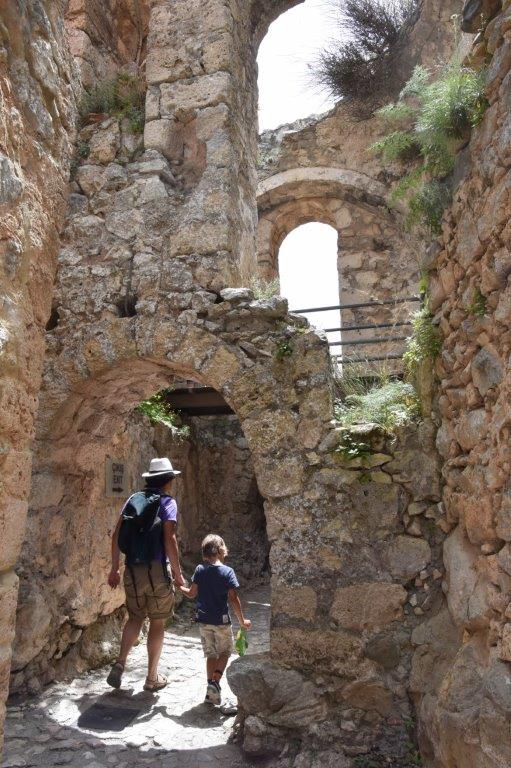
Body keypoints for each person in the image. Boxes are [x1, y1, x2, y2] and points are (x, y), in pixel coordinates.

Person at [106, 457, 185, 691]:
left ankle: (120, 664)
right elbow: (169, 538)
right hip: (157, 570)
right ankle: (151, 678)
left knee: (135, 617)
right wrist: (178, 574)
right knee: (158, 622)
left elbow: (115, 535)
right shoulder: (168, 503)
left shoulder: (133, 500)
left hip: (132, 569)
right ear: (169, 481)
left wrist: (114, 569)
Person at [180, 534, 251, 705]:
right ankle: (215, 683)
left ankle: (211, 692)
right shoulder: (227, 572)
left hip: (204, 621)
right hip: (222, 621)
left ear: (204, 553)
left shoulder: (199, 570)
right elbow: (233, 598)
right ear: (221, 551)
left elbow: (191, 593)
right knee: (225, 652)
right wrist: (242, 620)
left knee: (210, 655)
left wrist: (179, 586)